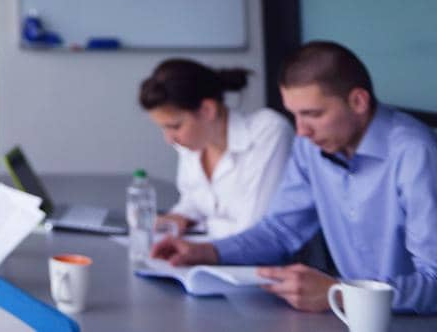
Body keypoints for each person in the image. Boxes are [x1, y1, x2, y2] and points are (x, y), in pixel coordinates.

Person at [153, 41, 437, 314]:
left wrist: (338, 293)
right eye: (295, 115)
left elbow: (433, 282)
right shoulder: (310, 148)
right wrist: (207, 252)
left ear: (358, 101)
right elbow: (280, 231)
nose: (301, 131)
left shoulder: (415, 153)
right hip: (351, 318)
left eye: (313, 114)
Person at [137, 58, 292, 237]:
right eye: (163, 128)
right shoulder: (192, 146)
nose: (169, 140)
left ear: (207, 110)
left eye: (175, 126)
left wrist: (205, 225)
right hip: (213, 257)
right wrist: (180, 217)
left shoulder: (268, 132)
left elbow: (253, 231)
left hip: (263, 263)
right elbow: (193, 200)